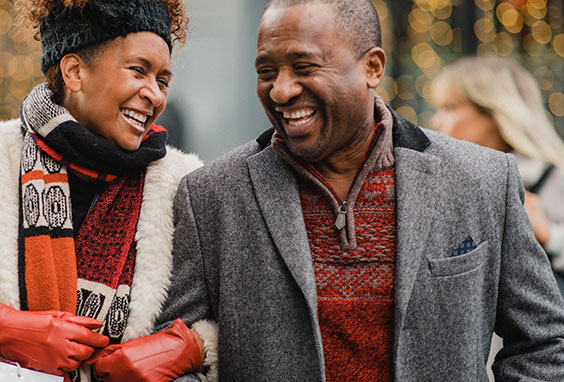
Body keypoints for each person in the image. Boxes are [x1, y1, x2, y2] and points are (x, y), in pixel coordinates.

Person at [155, 0, 564, 380]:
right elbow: (170, 354)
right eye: (266, 72)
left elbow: (544, 341)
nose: (280, 90)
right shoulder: (211, 195)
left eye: (304, 66)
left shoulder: (482, 179)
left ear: (372, 68)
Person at [0, 1, 216, 381]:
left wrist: (190, 347)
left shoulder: (185, 186)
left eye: (162, 80)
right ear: (74, 72)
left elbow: (237, 322)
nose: (154, 94)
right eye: (138, 71)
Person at [431, 56, 564, 296]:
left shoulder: (555, 178)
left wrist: (549, 235)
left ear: (495, 112)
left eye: (449, 107)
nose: (436, 121)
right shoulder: (442, 185)